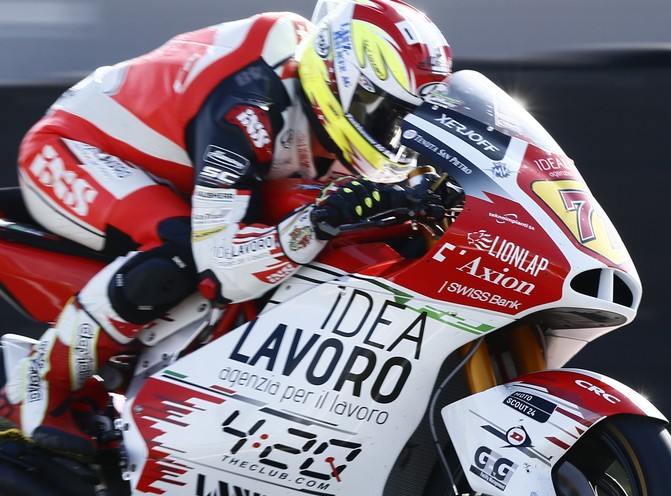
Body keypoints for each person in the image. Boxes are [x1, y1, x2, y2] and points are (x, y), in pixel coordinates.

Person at [1, 0, 452, 459]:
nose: (394, 134)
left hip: (173, 173)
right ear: (342, 80)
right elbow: (221, 268)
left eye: (407, 120)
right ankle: (35, 390)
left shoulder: (316, 97)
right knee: (179, 251)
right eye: (385, 113)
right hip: (76, 150)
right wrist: (321, 219)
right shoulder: (249, 102)